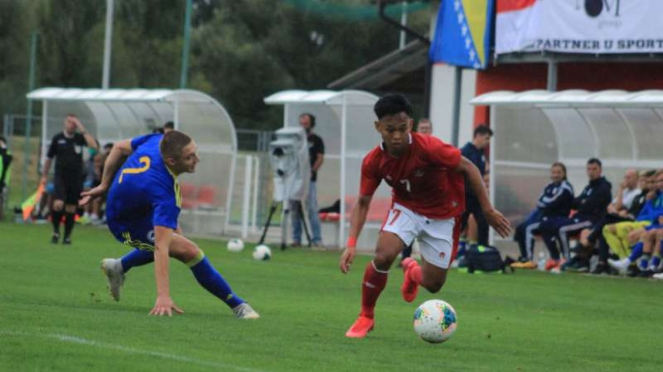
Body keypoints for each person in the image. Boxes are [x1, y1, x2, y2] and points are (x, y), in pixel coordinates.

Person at [338, 94, 510, 338]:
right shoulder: (374, 161)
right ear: (378, 127)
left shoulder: (429, 147)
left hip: (443, 215)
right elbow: (363, 202)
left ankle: (412, 272)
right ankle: (366, 315)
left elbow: (469, 167)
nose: (397, 136)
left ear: (410, 124)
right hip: (406, 208)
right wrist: (351, 244)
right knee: (384, 255)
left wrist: (488, 210)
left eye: (401, 128)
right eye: (390, 130)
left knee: (433, 284)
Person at [80, 130, 259, 318]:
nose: (197, 159)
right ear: (172, 161)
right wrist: (163, 296)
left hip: (138, 206)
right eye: (190, 157)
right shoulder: (164, 193)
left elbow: (118, 147)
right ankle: (238, 306)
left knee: (179, 243)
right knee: (188, 250)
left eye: (195, 152)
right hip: (124, 223)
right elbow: (161, 247)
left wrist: (104, 184)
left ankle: (118, 266)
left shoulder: (157, 140)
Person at [538, 158, 612, 271]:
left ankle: (567, 260)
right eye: (589, 169)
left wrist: (583, 203)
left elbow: (590, 205)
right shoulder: (589, 187)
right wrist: (583, 202)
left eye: (594, 169)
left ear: (600, 170)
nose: (591, 172)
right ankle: (556, 258)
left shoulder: (603, 187)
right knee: (547, 224)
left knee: (562, 229)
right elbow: (575, 202)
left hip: (591, 220)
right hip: (580, 217)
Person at [40, 115, 98, 244]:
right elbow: (49, 158)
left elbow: (93, 146)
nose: (72, 124)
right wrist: (44, 175)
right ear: (64, 123)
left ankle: (67, 237)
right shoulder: (58, 138)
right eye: (69, 122)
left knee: (71, 208)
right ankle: (55, 231)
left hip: (76, 178)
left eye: (74, 122)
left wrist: (81, 128)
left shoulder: (79, 138)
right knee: (58, 204)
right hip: (60, 177)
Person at [511, 162, 574, 269]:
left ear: (564, 174)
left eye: (559, 172)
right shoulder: (549, 187)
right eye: (554, 172)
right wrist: (545, 203)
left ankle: (529, 259)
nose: (556, 175)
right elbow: (540, 201)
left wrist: (545, 203)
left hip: (558, 218)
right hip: (545, 218)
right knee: (521, 228)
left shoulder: (566, 187)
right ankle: (524, 257)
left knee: (529, 228)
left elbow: (553, 202)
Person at [400, 118, 434, 265]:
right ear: (417, 130)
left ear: (431, 130)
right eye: (422, 128)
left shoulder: (435, 148)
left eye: (427, 128)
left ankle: (431, 260)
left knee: (431, 230)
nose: (425, 131)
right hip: (413, 195)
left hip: (432, 197)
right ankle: (405, 258)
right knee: (409, 227)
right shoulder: (411, 149)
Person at [291, 113, 324, 247]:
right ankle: (296, 238)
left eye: (306, 123)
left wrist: (311, 171)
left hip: (309, 180)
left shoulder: (316, 140)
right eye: (301, 123)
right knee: (294, 208)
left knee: (311, 208)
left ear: (311, 124)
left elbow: (320, 157)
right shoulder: (295, 139)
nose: (303, 126)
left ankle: (317, 239)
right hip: (295, 179)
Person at [459, 125, 493, 248]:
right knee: (459, 225)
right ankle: (448, 252)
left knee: (484, 222)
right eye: (486, 138)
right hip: (464, 196)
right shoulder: (465, 151)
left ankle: (483, 251)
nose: (487, 142)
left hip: (476, 195)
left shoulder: (481, 154)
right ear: (478, 135)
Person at [0, 136, 13, 221]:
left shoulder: (7, 154)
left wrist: (3, 148)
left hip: (2, 179)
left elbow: (6, 162)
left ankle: (1, 215)